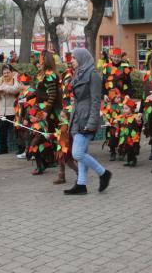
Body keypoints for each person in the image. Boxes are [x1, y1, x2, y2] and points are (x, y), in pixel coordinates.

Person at [64, 48, 112, 195]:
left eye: (74, 57)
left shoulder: (93, 74)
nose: (71, 60)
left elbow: (96, 101)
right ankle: (81, 184)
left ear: (82, 58)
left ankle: (103, 173)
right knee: (82, 152)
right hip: (77, 116)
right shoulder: (79, 73)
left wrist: (92, 122)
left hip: (86, 118)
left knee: (77, 154)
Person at [26, 50, 62, 175]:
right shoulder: (42, 74)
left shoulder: (50, 75)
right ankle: (42, 163)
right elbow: (39, 92)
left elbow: (52, 95)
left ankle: (43, 161)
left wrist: (46, 111)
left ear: (45, 60)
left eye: (40, 58)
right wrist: (27, 98)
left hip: (46, 112)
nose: (38, 61)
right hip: (39, 109)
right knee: (38, 137)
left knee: (38, 136)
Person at [102, 47, 133, 161]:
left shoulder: (125, 68)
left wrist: (128, 95)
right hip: (110, 101)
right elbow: (103, 84)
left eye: (118, 57)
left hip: (121, 100)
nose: (116, 58)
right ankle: (112, 150)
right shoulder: (106, 68)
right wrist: (104, 94)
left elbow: (129, 84)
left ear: (121, 57)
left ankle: (122, 149)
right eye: (114, 56)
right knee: (111, 126)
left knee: (122, 125)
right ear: (111, 57)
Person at [0, 64, 21, 155]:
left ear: (12, 72)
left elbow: (16, 89)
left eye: (8, 72)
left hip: (13, 110)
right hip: (2, 111)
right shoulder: (1, 80)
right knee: (2, 130)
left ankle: (21, 149)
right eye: (4, 73)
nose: (6, 74)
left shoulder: (15, 78)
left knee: (17, 131)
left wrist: (4, 89)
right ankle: (3, 149)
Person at [52, 110, 78, 184]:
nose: (61, 118)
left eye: (63, 116)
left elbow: (59, 133)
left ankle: (80, 174)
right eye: (60, 116)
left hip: (66, 147)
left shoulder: (66, 125)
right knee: (61, 161)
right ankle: (61, 178)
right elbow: (58, 134)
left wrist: (50, 136)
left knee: (69, 162)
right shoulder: (62, 124)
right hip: (61, 145)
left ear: (68, 117)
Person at [118, 97, 142, 167]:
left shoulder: (134, 116)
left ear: (131, 109)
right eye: (124, 108)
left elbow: (139, 124)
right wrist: (117, 122)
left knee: (132, 149)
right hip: (125, 136)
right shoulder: (123, 116)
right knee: (127, 148)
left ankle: (133, 160)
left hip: (133, 137)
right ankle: (129, 160)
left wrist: (139, 121)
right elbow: (120, 124)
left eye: (126, 108)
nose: (124, 110)